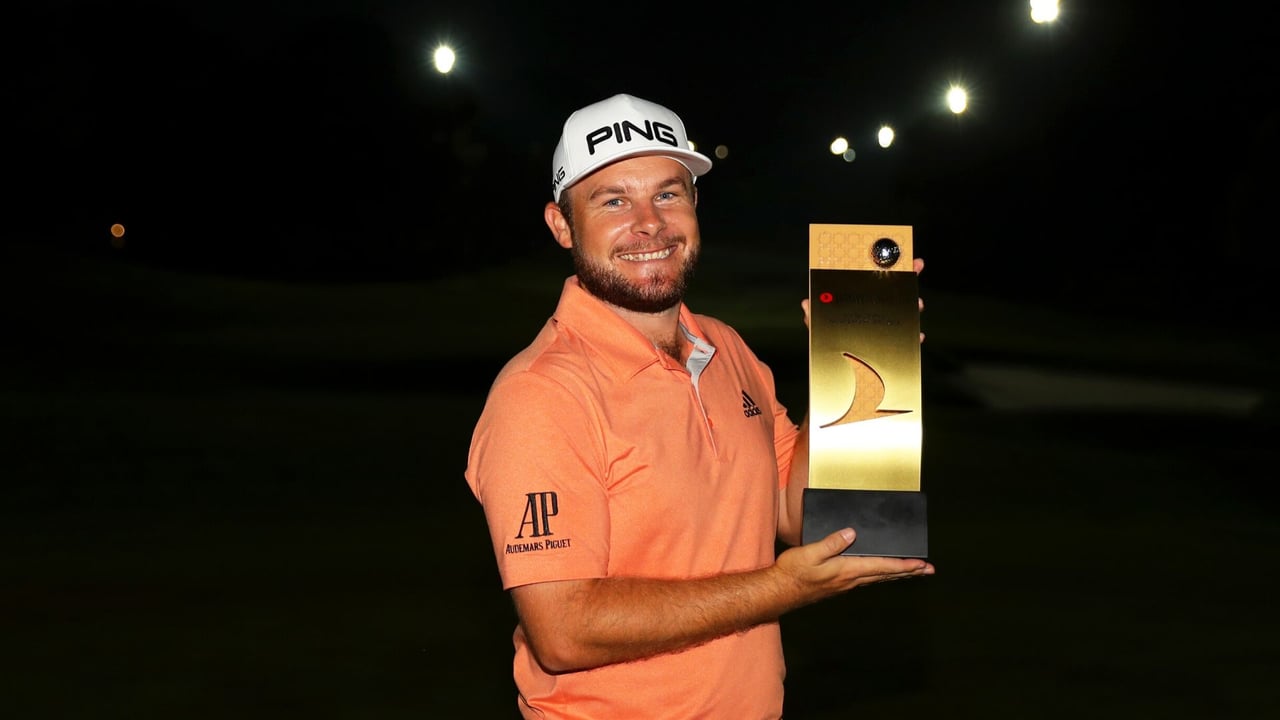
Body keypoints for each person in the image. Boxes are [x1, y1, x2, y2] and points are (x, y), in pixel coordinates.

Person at [464, 92, 934, 719]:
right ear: (561, 225)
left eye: (668, 193)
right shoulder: (542, 392)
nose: (650, 223)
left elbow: (796, 517)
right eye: (613, 200)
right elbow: (564, 630)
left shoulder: (728, 349)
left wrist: (848, 370)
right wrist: (782, 587)